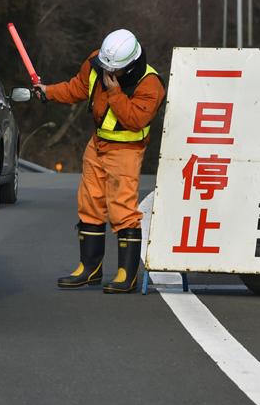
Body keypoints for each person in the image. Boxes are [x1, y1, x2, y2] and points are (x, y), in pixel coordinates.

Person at [35, 29, 165, 293]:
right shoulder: (98, 61)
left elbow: (135, 120)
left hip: (127, 150)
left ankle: (126, 275)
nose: (106, 72)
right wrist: (48, 92)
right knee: (89, 202)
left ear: (128, 66)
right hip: (97, 144)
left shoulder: (151, 84)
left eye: (112, 70)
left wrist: (115, 93)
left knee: (122, 209)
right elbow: (77, 88)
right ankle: (89, 268)